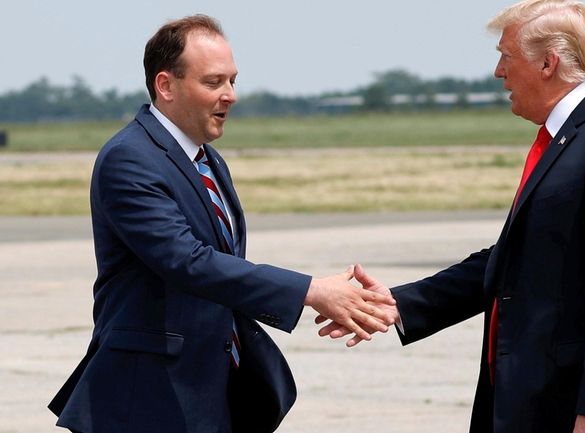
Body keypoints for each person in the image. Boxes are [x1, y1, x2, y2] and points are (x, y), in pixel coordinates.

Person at [319, 1, 585, 432]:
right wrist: (398, 304)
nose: (498, 72)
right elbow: (517, 257)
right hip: (548, 396)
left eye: (506, 55)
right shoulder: (571, 137)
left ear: (548, 63)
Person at [48, 15, 394, 433]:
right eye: (214, 82)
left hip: (209, 392)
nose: (230, 95)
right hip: (148, 399)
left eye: (233, 81)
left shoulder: (206, 159)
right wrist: (310, 290)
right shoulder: (131, 158)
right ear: (166, 86)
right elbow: (187, 261)